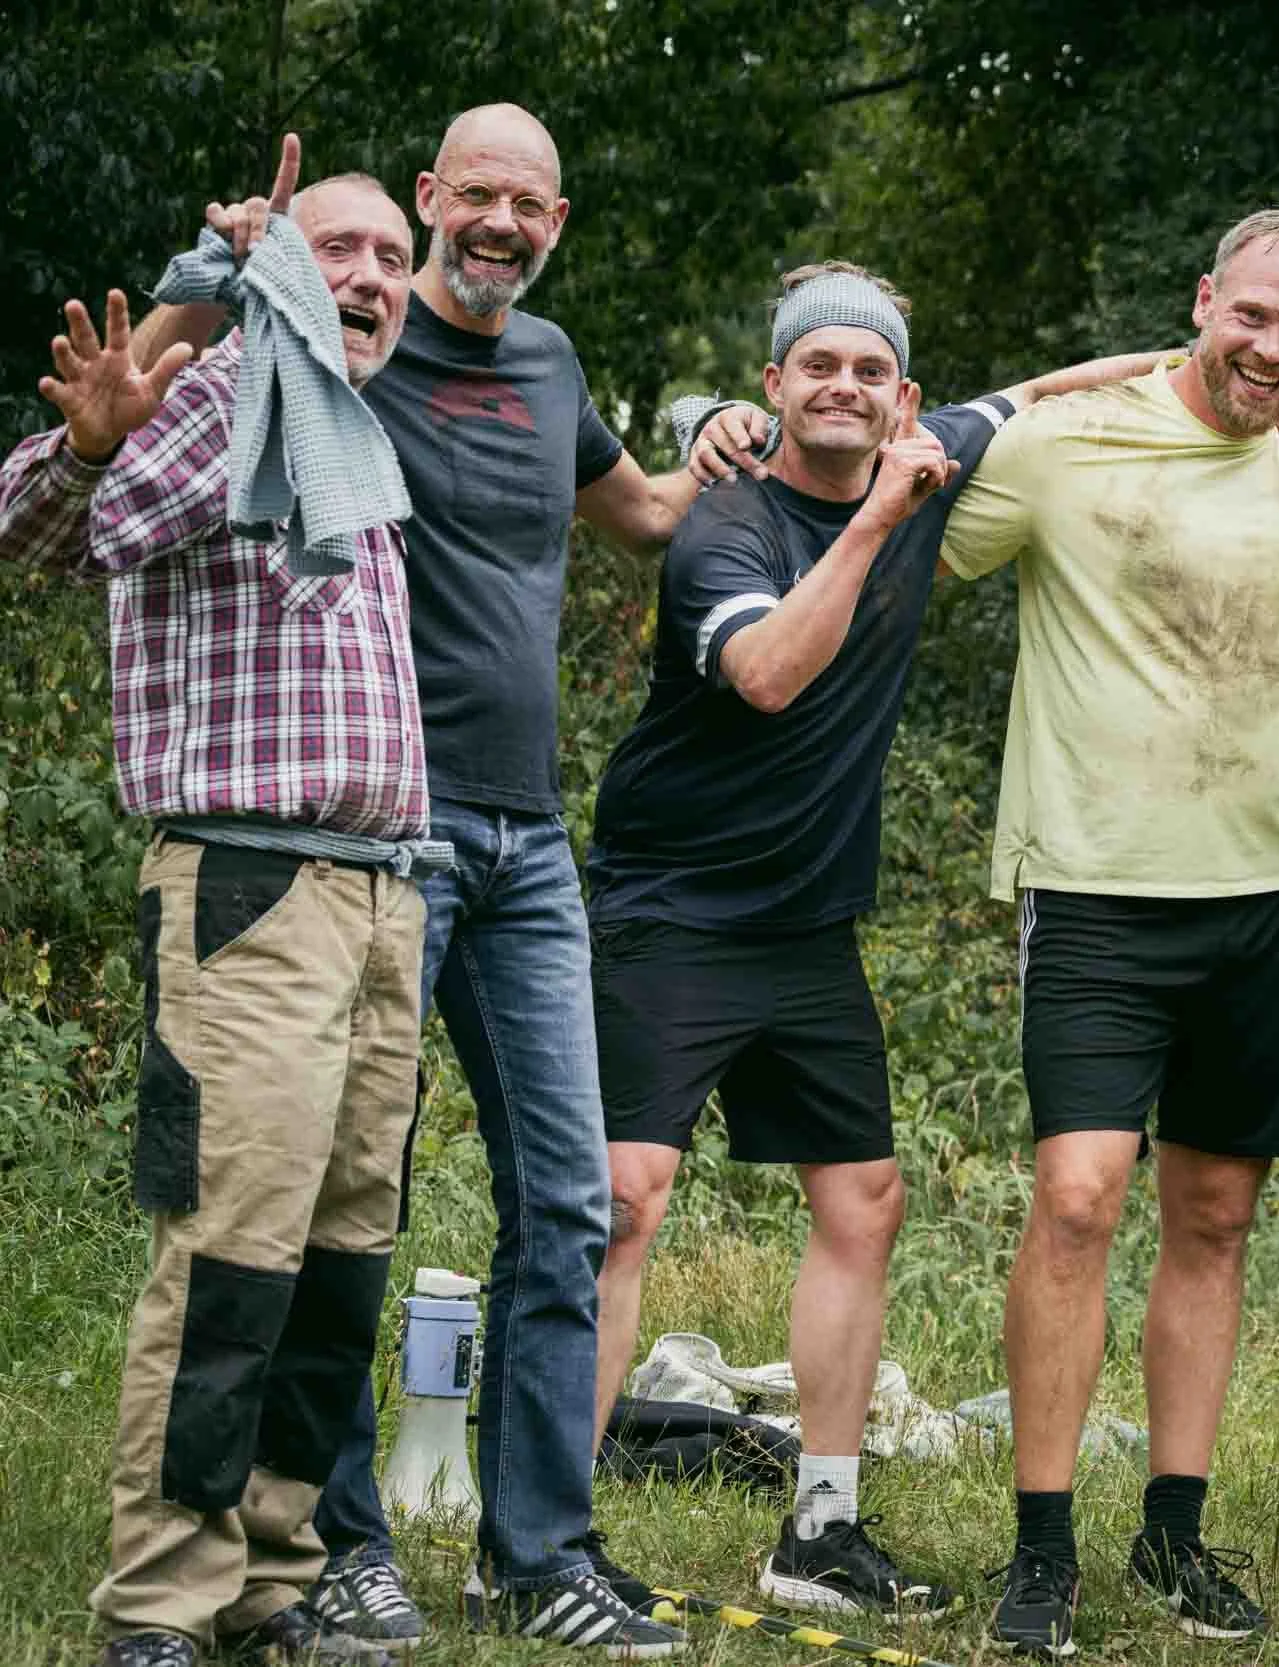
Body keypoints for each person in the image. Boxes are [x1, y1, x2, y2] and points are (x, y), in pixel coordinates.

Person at [128, 103, 745, 1655]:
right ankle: (332, 1544)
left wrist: (716, 456)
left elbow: (640, 524)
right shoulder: (342, 340)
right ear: (425, 200)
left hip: (526, 840)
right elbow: (167, 415)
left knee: (570, 1192)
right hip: (366, 840)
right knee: (346, 1205)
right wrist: (220, 273)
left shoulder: (549, 367)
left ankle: (540, 1552)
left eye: (528, 206)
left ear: (553, 222)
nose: (498, 227)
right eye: (472, 197)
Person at [583, 261, 1171, 1623]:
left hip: (807, 924)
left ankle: (822, 1525)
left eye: (871, 372)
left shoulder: (930, 447)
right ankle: (544, 1526)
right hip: (670, 906)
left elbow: (1044, 390)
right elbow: (773, 676)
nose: (843, 386)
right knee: (624, 1199)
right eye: (816, 367)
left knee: (862, 1201)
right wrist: (882, 520)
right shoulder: (723, 528)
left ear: (901, 395)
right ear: (773, 384)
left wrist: (1201, 365)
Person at [936, 208, 1279, 1658]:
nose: (1273, 350)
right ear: (1205, 301)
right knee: (1083, 1196)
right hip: (1094, 886)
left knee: (1214, 1215)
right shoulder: (1069, 442)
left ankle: (1172, 1527)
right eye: (1255, 318)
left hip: (1270, 892)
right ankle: (1043, 1549)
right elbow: (901, 510)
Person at [1, 159, 433, 1667]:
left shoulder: (348, 426)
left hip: (386, 898)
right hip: (250, 886)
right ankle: (163, 1599)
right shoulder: (214, 388)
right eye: (341, 250)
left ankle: (273, 1563)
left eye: (394, 252)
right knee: (231, 1252)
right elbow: (35, 536)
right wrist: (78, 444)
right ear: (275, 268)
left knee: (337, 1259)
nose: (373, 276)